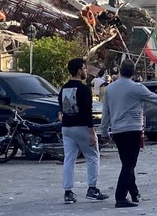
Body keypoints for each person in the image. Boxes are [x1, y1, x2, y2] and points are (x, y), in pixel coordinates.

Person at [100, 59, 157, 208]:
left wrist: (104, 131)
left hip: (117, 131)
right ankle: (120, 197)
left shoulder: (110, 89)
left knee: (126, 163)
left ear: (119, 71)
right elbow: (156, 99)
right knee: (129, 164)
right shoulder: (136, 88)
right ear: (133, 72)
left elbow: (105, 112)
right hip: (132, 129)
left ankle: (134, 192)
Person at [59, 58, 109, 204]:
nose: (86, 71)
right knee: (92, 156)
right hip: (82, 126)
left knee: (69, 159)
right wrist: (92, 133)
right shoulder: (84, 89)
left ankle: (68, 192)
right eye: (84, 68)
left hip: (67, 127)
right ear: (80, 69)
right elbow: (87, 112)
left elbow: (61, 108)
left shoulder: (64, 89)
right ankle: (92, 189)